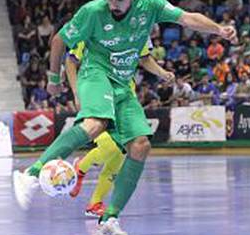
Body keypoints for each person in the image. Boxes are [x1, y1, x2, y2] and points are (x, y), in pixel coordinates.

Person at [12, 0, 237, 235]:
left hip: (123, 85)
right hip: (95, 73)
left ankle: (110, 218)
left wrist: (219, 30)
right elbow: (59, 41)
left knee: (141, 145)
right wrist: (53, 79)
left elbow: (188, 18)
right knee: (95, 124)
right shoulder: (93, 12)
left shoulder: (150, 5)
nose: (114, 5)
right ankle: (31, 175)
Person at [65, 37, 174, 218]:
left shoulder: (133, 35)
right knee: (111, 146)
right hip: (99, 97)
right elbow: (70, 62)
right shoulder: (93, 30)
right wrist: (77, 92)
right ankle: (81, 168)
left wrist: (162, 73)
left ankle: (95, 203)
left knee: (118, 156)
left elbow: (145, 58)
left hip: (125, 98)